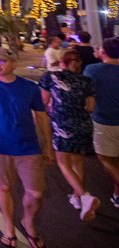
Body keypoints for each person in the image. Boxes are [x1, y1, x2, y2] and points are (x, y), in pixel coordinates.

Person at [0, 47, 53, 248]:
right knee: (4, 186)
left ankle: (27, 221)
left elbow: (41, 116)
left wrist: (48, 145)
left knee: (36, 193)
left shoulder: (29, 87)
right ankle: (8, 227)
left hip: (28, 146)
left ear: (14, 63)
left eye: (2, 60)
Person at [39, 49, 100, 221]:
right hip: (83, 124)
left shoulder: (51, 77)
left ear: (62, 63)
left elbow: (43, 101)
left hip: (62, 125)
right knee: (77, 161)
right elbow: (91, 106)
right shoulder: (87, 81)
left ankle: (84, 196)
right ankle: (77, 198)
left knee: (63, 163)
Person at [84, 37, 119, 209]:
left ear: (103, 52)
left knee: (106, 159)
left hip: (104, 121)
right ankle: (117, 194)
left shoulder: (92, 70)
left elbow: (85, 92)